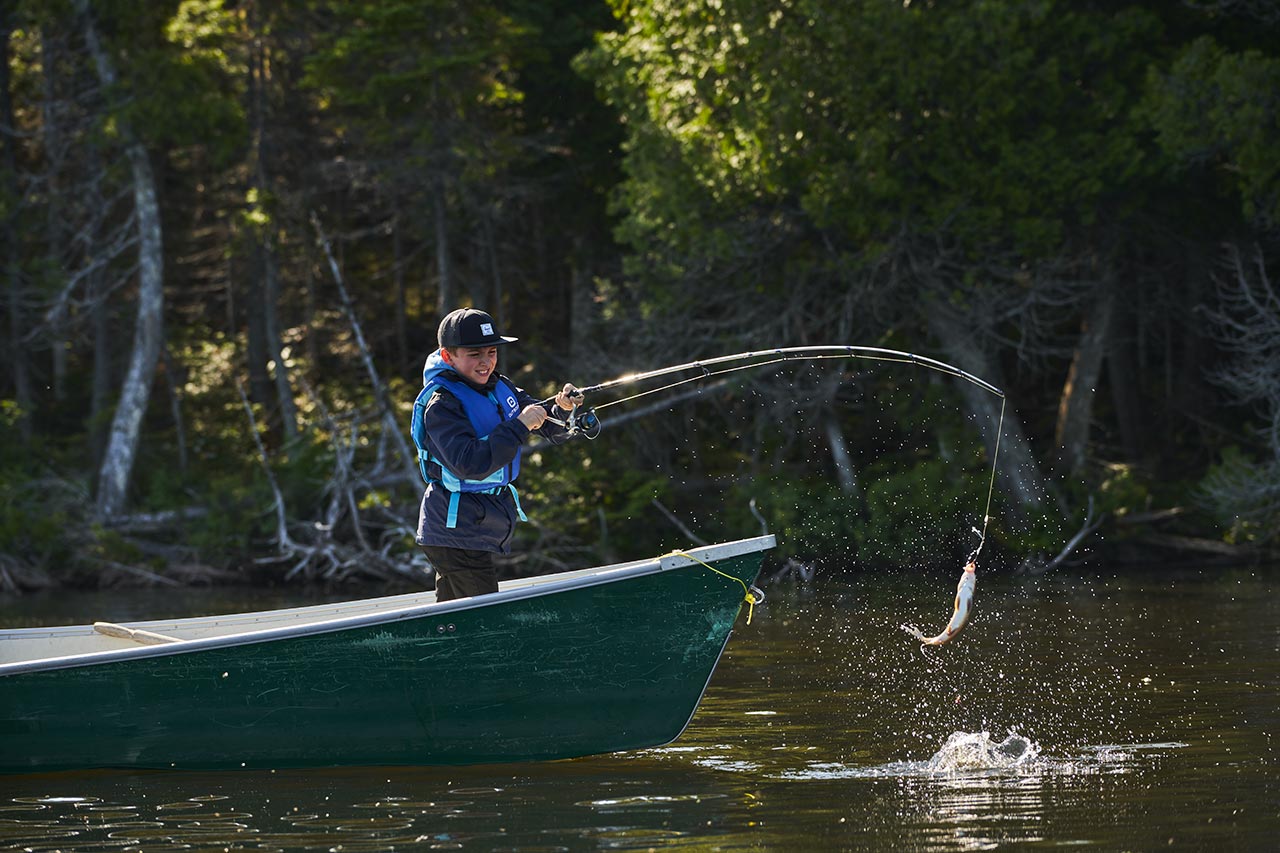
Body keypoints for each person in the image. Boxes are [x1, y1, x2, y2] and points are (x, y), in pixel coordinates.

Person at [411, 308, 581, 601]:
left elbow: (548, 424)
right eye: (474, 354)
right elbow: (470, 463)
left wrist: (563, 410)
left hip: (473, 528)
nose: (486, 362)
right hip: (454, 531)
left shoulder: (500, 387)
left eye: (491, 352)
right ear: (448, 356)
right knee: (484, 617)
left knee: (456, 617)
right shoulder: (442, 405)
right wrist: (519, 426)